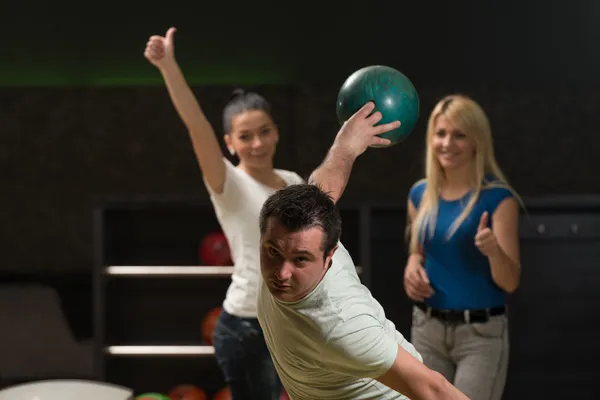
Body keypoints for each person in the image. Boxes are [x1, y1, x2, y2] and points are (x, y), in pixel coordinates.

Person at [257, 102, 470, 399]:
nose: (281, 272)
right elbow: (324, 186)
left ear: (329, 257)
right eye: (273, 253)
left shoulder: (342, 327)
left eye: (300, 260)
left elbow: (435, 389)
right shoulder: (303, 228)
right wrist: (346, 146)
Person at [144, 27, 304, 399]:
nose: (257, 143)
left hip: (291, 324)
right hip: (246, 327)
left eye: (264, 132)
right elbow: (197, 126)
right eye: (245, 136)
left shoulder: (295, 182)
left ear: (276, 133)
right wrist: (168, 66)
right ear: (229, 143)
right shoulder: (228, 183)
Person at [403, 94, 521, 400]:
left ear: (476, 141)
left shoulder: (499, 199)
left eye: (459, 135)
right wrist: (412, 264)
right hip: (427, 329)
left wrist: (493, 249)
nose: (447, 143)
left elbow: (510, 281)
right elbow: (419, 252)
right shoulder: (419, 195)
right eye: (440, 134)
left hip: (480, 336)